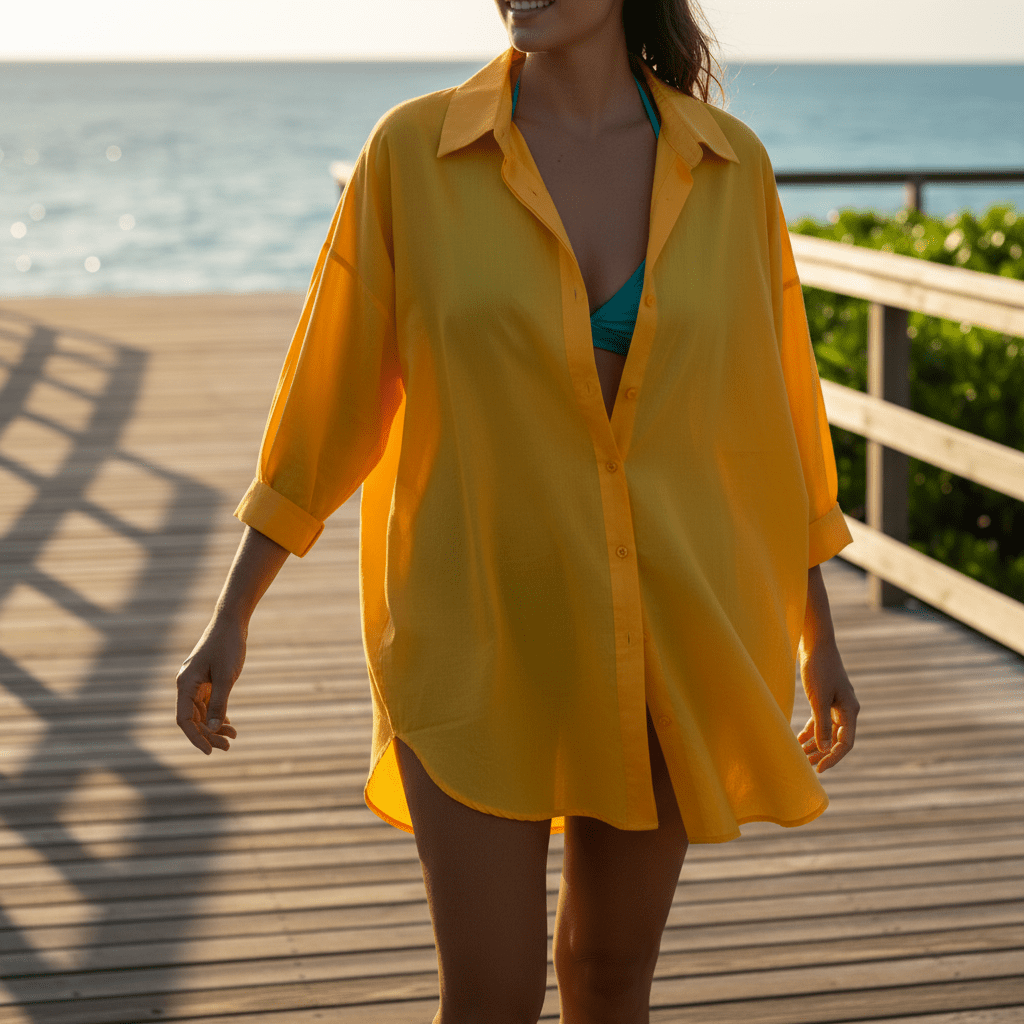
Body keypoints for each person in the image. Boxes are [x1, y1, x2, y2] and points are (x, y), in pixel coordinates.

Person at [176, 0, 861, 1021]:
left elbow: (773, 416)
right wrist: (232, 612)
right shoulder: (414, 154)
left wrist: (818, 632)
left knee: (610, 978)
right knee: (491, 995)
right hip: (476, 628)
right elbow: (328, 401)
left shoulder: (730, 168)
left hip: (670, 626)